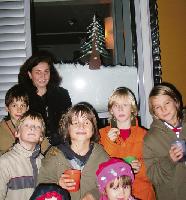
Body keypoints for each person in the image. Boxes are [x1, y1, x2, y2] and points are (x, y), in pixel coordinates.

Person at [38, 103, 109, 200]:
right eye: (75, 123)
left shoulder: (101, 155)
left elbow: (109, 184)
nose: (81, 126)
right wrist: (58, 185)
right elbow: (42, 184)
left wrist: (93, 195)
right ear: (67, 129)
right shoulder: (54, 154)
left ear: (93, 129)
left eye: (87, 122)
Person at [99, 87, 155, 200]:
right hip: (113, 195)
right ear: (111, 110)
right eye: (116, 105)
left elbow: (155, 168)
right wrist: (110, 143)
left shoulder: (145, 135)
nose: (120, 109)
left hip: (142, 193)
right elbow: (100, 166)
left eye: (125, 105)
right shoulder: (102, 134)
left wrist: (140, 168)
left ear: (133, 109)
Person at [18, 50, 72, 145]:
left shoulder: (62, 94)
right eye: (38, 72)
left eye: (46, 71)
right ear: (30, 74)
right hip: (32, 145)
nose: (43, 76)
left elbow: (69, 122)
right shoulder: (22, 96)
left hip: (61, 146)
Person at [143, 82, 186, 200]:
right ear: (154, 113)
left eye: (167, 103)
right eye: (157, 107)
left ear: (176, 102)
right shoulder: (151, 139)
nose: (163, 109)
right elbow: (153, 176)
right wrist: (169, 160)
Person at [0, 111, 45, 200]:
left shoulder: (44, 162)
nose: (32, 128)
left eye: (37, 126)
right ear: (17, 133)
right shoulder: (4, 162)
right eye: (27, 125)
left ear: (41, 136)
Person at [0, 84, 29, 155]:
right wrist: (7, 152)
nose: (19, 110)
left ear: (27, 108)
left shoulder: (34, 127)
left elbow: (49, 150)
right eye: (14, 105)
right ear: (7, 108)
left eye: (22, 105)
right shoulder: (1, 129)